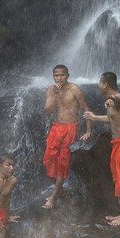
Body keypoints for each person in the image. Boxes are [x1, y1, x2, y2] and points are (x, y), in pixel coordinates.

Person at [84, 72, 120, 226]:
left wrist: (111, 100)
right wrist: (94, 117)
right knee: (119, 179)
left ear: (105, 84)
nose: (98, 85)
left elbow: (118, 99)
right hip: (117, 143)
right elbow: (111, 118)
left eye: (99, 82)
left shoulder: (118, 98)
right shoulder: (112, 102)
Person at [43, 64, 92, 209]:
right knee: (47, 161)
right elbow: (47, 111)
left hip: (71, 128)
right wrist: (55, 95)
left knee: (63, 163)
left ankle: (53, 197)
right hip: (56, 127)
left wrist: (88, 130)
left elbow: (86, 108)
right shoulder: (51, 90)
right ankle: (61, 193)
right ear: (53, 76)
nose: (59, 78)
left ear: (68, 76)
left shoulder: (74, 89)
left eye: (62, 75)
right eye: (56, 75)